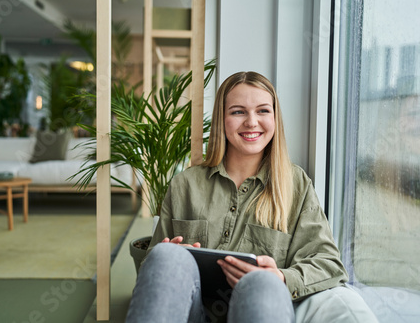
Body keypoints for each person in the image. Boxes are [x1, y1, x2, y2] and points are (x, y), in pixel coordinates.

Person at [126, 71, 378, 323]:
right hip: (194, 312)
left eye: (263, 111)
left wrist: (280, 277)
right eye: (238, 112)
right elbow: (151, 263)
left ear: (275, 118)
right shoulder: (185, 184)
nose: (251, 122)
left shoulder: (296, 185)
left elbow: (328, 263)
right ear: (221, 120)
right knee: (165, 256)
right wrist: (171, 254)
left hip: (259, 307)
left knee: (261, 282)